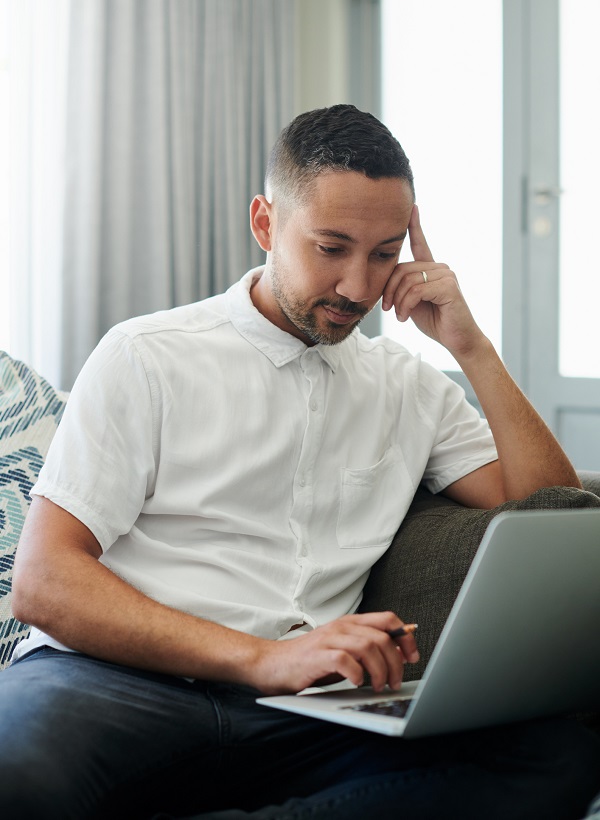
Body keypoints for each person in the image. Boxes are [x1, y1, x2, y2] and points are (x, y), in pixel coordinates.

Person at [1, 104, 598, 820]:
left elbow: (552, 509)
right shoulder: (147, 355)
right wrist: (261, 658)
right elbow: (43, 583)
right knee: (14, 779)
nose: (358, 287)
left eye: (383, 254)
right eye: (332, 247)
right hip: (111, 683)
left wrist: (471, 349)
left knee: (555, 757)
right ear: (266, 223)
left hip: (306, 716)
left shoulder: (410, 386)